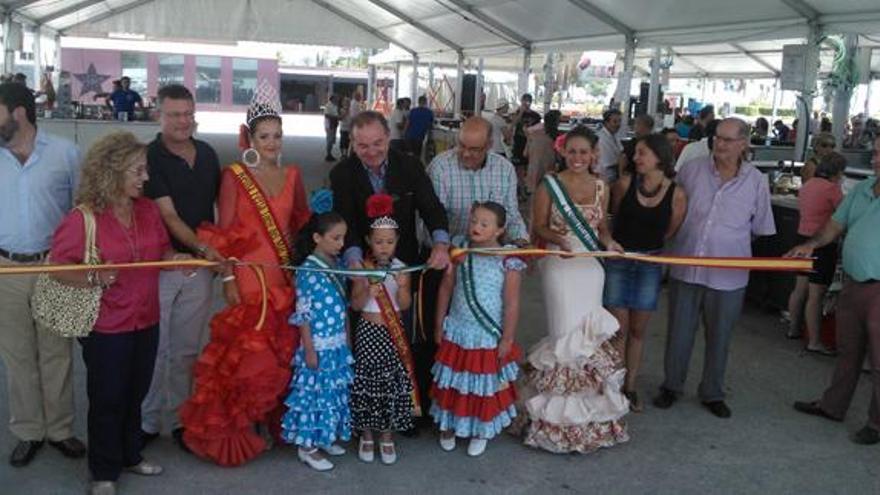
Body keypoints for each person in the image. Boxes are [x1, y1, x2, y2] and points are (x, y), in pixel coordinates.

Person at [49, 131, 191, 494]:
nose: (145, 177)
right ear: (112, 172)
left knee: (135, 393)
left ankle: (130, 455)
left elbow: (160, 251)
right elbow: (57, 267)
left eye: (145, 170)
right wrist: (93, 276)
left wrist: (176, 259)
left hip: (146, 318)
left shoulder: (146, 210)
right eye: (138, 171)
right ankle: (103, 473)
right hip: (107, 325)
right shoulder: (84, 218)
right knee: (108, 399)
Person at [179, 82, 311, 466]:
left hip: (282, 275)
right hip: (249, 275)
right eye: (264, 136)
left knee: (280, 350)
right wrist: (229, 278)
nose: (272, 143)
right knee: (249, 354)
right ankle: (241, 422)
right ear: (250, 137)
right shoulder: (235, 176)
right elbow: (224, 230)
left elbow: (299, 225)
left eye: (277, 136)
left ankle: (270, 419)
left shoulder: (293, 175)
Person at [330, 110, 450, 432]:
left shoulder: (409, 164)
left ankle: (404, 409)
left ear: (389, 137)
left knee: (403, 340)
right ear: (352, 144)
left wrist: (440, 243)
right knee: (362, 345)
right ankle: (363, 416)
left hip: (402, 267)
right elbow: (346, 221)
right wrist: (356, 263)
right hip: (362, 267)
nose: (371, 152)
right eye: (363, 146)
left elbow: (432, 207)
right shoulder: (342, 172)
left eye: (378, 143)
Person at [654, 118, 776, 419]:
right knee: (679, 332)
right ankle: (672, 386)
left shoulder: (756, 181)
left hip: (728, 275)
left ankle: (712, 392)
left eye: (728, 140)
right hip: (687, 267)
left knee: (720, 336)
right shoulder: (692, 170)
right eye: (717, 138)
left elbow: (760, 227)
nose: (720, 144)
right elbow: (673, 209)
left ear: (744, 144)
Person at [522, 126, 628, 454]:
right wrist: (558, 239)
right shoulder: (549, 185)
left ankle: (586, 421)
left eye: (585, 152)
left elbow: (602, 227)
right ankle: (554, 423)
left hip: (590, 267)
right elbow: (537, 225)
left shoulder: (602, 186)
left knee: (586, 338)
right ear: (563, 152)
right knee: (565, 336)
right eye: (573, 152)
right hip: (559, 263)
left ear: (594, 154)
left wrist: (610, 242)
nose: (579, 158)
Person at [0, 82, 85, 468]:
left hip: (55, 267)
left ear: (18, 112)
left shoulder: (65, 154)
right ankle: (28, 431)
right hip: (7, 269)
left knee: (57, 352)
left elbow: (80, 211)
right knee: (17, 355)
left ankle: (60, 430)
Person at [141, 84, 223, 451]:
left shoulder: (207, 154)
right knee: (155, 348)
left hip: (199, 269)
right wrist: (203, 248)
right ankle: (146, 421)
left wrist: (221, 250)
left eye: (188, 113)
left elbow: (221, 208)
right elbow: (168, 215)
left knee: (187, 350)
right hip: (160, 265)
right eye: (174, 114)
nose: (183, 121)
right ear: (159, 115)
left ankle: (179, 421)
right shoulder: (149, 157)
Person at [789, 136, 880, 446]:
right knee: (848, 352)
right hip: (854, 284)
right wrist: (811, 245)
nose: (875, 160)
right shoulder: (863, 191)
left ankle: (877, 423)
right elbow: (835, 225)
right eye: (876, 153)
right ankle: (833, 406)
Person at [432, 202, 525, 457]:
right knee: (455, 382)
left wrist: (508, 337)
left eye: (484, 224)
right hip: (459, 329)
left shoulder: (508, 259)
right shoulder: (460, 248)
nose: (476, 227)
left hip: (487, 334)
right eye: (474, 221)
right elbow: (446, 287)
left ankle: (479, 429)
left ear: (499, 230)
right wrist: (439, 323)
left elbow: (512, 303)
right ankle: (448, 425)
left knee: (481, 385)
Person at [606, 134, 687, 411]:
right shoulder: (624, 184)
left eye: (642, 153)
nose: (636, 158)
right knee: (618, 330)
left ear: (660, 157)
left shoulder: (677, 194)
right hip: (619, 261)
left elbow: (670, 231)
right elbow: (614, 220)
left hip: (650, 265)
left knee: (638, 330)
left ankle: (630, 387)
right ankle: (612, 386)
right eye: (636, 153)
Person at [281, 211, 354, 472]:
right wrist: (309, 350)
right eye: (335, 238)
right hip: (318, 344)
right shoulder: (307, 271)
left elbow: (343, 305)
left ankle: (324, 437)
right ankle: (307, 446)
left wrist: (346, 338)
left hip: (336, 342)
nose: (341, 244)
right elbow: (303, 314)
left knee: (332, 392)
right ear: (316, 238)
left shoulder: (337, 264)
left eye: (343, 238)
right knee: (314, 396)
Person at [349, 194, 416, 465]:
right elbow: (354, 305)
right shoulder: (363, 269)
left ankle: (386, 436)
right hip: (367, 332)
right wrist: (366, 288)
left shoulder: (402, 269)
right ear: (368, 242)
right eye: (378, 242)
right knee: (366, 382)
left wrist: (400, 287)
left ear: (397, 242)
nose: (384, 247)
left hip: (391, 334)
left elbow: (405, 304)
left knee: (388, 383)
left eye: (389, 242)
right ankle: (366, 434)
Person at [428, 116, 529, 245]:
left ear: (489, 146)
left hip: (490, 252)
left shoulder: (505, 169)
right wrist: (446, 248)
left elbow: (511, 214)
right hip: (447, 251)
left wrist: (521, 241)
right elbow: (434, 217)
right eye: (461, 146)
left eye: (474, 149)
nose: (465, 154)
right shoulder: (440, 167)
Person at [786, 152, 845, 353]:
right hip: (822, 243)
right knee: (816, 294)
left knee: (799, 288)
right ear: (838, 172)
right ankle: (814, 340)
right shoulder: (832, 189)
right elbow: (843, 214)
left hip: (801, 238)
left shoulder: (808, 185)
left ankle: (793, 328)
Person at [525, 110, 561, 194]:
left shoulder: (534, 133)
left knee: (534, 193)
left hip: (534, 165)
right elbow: (558, 154)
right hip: (548, 166)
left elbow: (526, 152)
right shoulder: (555, 136)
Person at [510, 93, 540, 167]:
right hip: (519, 141)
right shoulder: (516, 113)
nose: (527, 103)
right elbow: (513, 125)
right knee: (517, 164)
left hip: (530, 141)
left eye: (528, 101)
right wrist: (521, 112)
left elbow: (538, 128)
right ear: (521, 101)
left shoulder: (536, 115)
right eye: (525, 101)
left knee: (528, 163)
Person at [596, 108, 623, 183]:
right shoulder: (601, 138)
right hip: (603, 177)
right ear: (606, 123)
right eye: (615, 122)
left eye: (619, 121)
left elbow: (621, 153)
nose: (618, 124)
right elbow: (610, 162)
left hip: (613, 175)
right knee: (600, 194)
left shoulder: (614, 136)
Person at [404, 95, 433, 159]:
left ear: (418, 102)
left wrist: (404, 133)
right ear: (426, 102)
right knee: (417, 156)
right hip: (419, 137)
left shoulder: (413, 111)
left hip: (409, 136)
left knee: (409, 155)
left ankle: (408, 167)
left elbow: (407, 123)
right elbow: (430, 126)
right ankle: (415, 168)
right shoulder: (429, 113)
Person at [324, 94, 340, 161]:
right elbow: (326, 115)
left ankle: (330, 154)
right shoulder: (328, 105)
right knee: (329, 140)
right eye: (336, 98)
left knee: (332, 139)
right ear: (333, 99)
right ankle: (328, 154)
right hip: (330, 124)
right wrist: (336, 117)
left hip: (334, 124)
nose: (337, 100)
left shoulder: (334, 105)